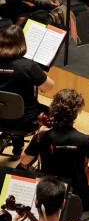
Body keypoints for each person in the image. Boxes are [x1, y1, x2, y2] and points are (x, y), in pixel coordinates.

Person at [20, 89, 89, 221]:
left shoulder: (42, 135)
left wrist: (37, 137)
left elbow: (24, 160)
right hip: (75, 198)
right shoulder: (84, 140)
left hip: (47, 194)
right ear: (75, 114)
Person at [0, 24, 55, 157]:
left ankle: (16, 143)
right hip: (25, 122)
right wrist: (39, 73)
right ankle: (32, 156)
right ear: (22, 44)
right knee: (52, 113)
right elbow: (49, 87)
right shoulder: (29, 66)